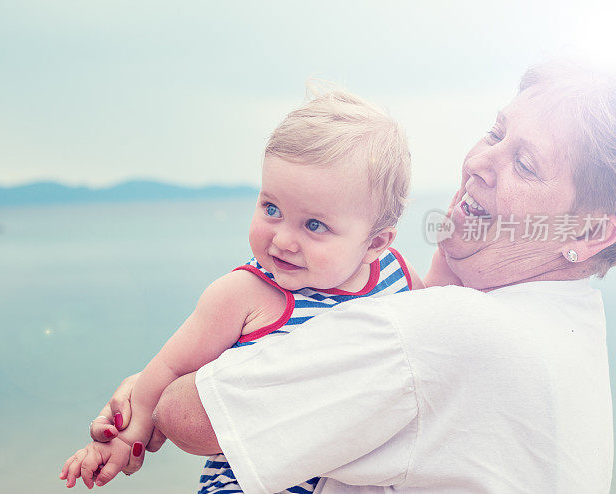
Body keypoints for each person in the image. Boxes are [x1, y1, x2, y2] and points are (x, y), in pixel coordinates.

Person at [82, 59, 616, 493]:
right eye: (496, 134)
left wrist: (156, 387)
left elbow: (191, 414)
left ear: (589, 234)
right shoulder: (568, 328)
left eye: (524, 164)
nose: (479, 162)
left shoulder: (444, 334)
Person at [60, 86, 420, 491]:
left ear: (375, 244)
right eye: (272, 209)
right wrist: (126, 439)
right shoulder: (245, 294)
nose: (283, 239)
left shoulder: (398, 278)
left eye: (314, 225)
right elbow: (169, 369)